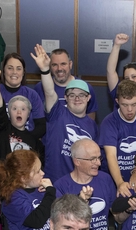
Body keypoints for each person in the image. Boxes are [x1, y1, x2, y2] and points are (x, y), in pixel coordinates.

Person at [31, 44, 99, 181]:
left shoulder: (93, 127)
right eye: (72, 95)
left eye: (81, 95)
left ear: (88, 98)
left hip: (81, 182)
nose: (77, 99)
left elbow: (95, 159)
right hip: (55, 180)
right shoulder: (58, 114)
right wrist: (44, 69)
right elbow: (49, 92)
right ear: (65, 98)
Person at [100, 80, 136, 196]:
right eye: (125, 105)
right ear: (117, 102)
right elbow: (111, 156)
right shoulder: (109, 122)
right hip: (113, 178)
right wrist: (120, 183)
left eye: (134, 104)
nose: (130, 110)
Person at [0, 149, 54, 230]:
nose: (42, 173)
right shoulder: (13, 198)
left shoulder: (41, 188)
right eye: (38, 171)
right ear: (23, 178)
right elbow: (36, 221)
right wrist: (50, 193)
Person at [0, 52, 46, 142]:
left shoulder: (32, 94)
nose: (14, 72)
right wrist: (1, 142)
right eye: (10, 68)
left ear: (23, 72)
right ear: (4, 71)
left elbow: (41, 125)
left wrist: (24, 141)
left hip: (26, 145)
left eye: (18, 68)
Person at [0, 70, 45, 161]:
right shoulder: (3, 130)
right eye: (14, 108)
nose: (19, 112)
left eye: (23, 109)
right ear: (9, 113)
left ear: (28, 114)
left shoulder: (35, 142)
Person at [34, 48, 98, 120]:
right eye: (54, 65)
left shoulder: (85, 88)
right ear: (50, 66)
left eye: (63, 64)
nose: (59, 68)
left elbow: (90, 120)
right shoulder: (40, 88)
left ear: (70, 64)